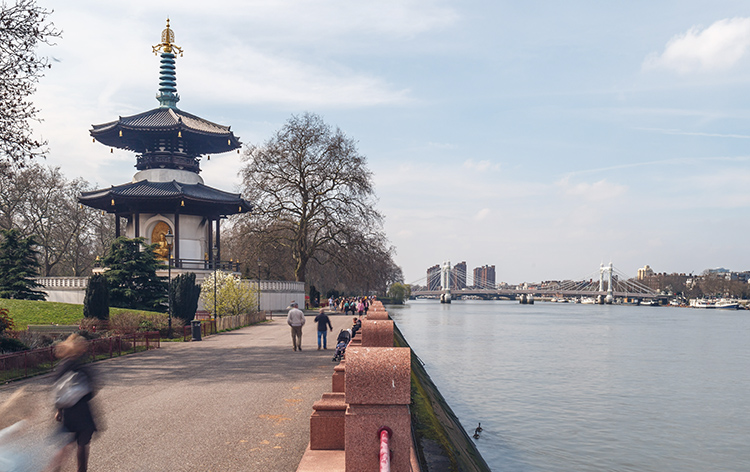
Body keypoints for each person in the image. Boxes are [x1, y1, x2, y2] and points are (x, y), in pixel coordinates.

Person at [49, 334, 98, 472]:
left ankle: (55, 468)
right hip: (82, 409)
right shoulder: (80, 364)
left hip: (68, 410)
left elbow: (57, 388)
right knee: (83, 442)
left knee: (68, 441)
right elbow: (91, 387)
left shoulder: (63, 365)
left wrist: (58, 410)